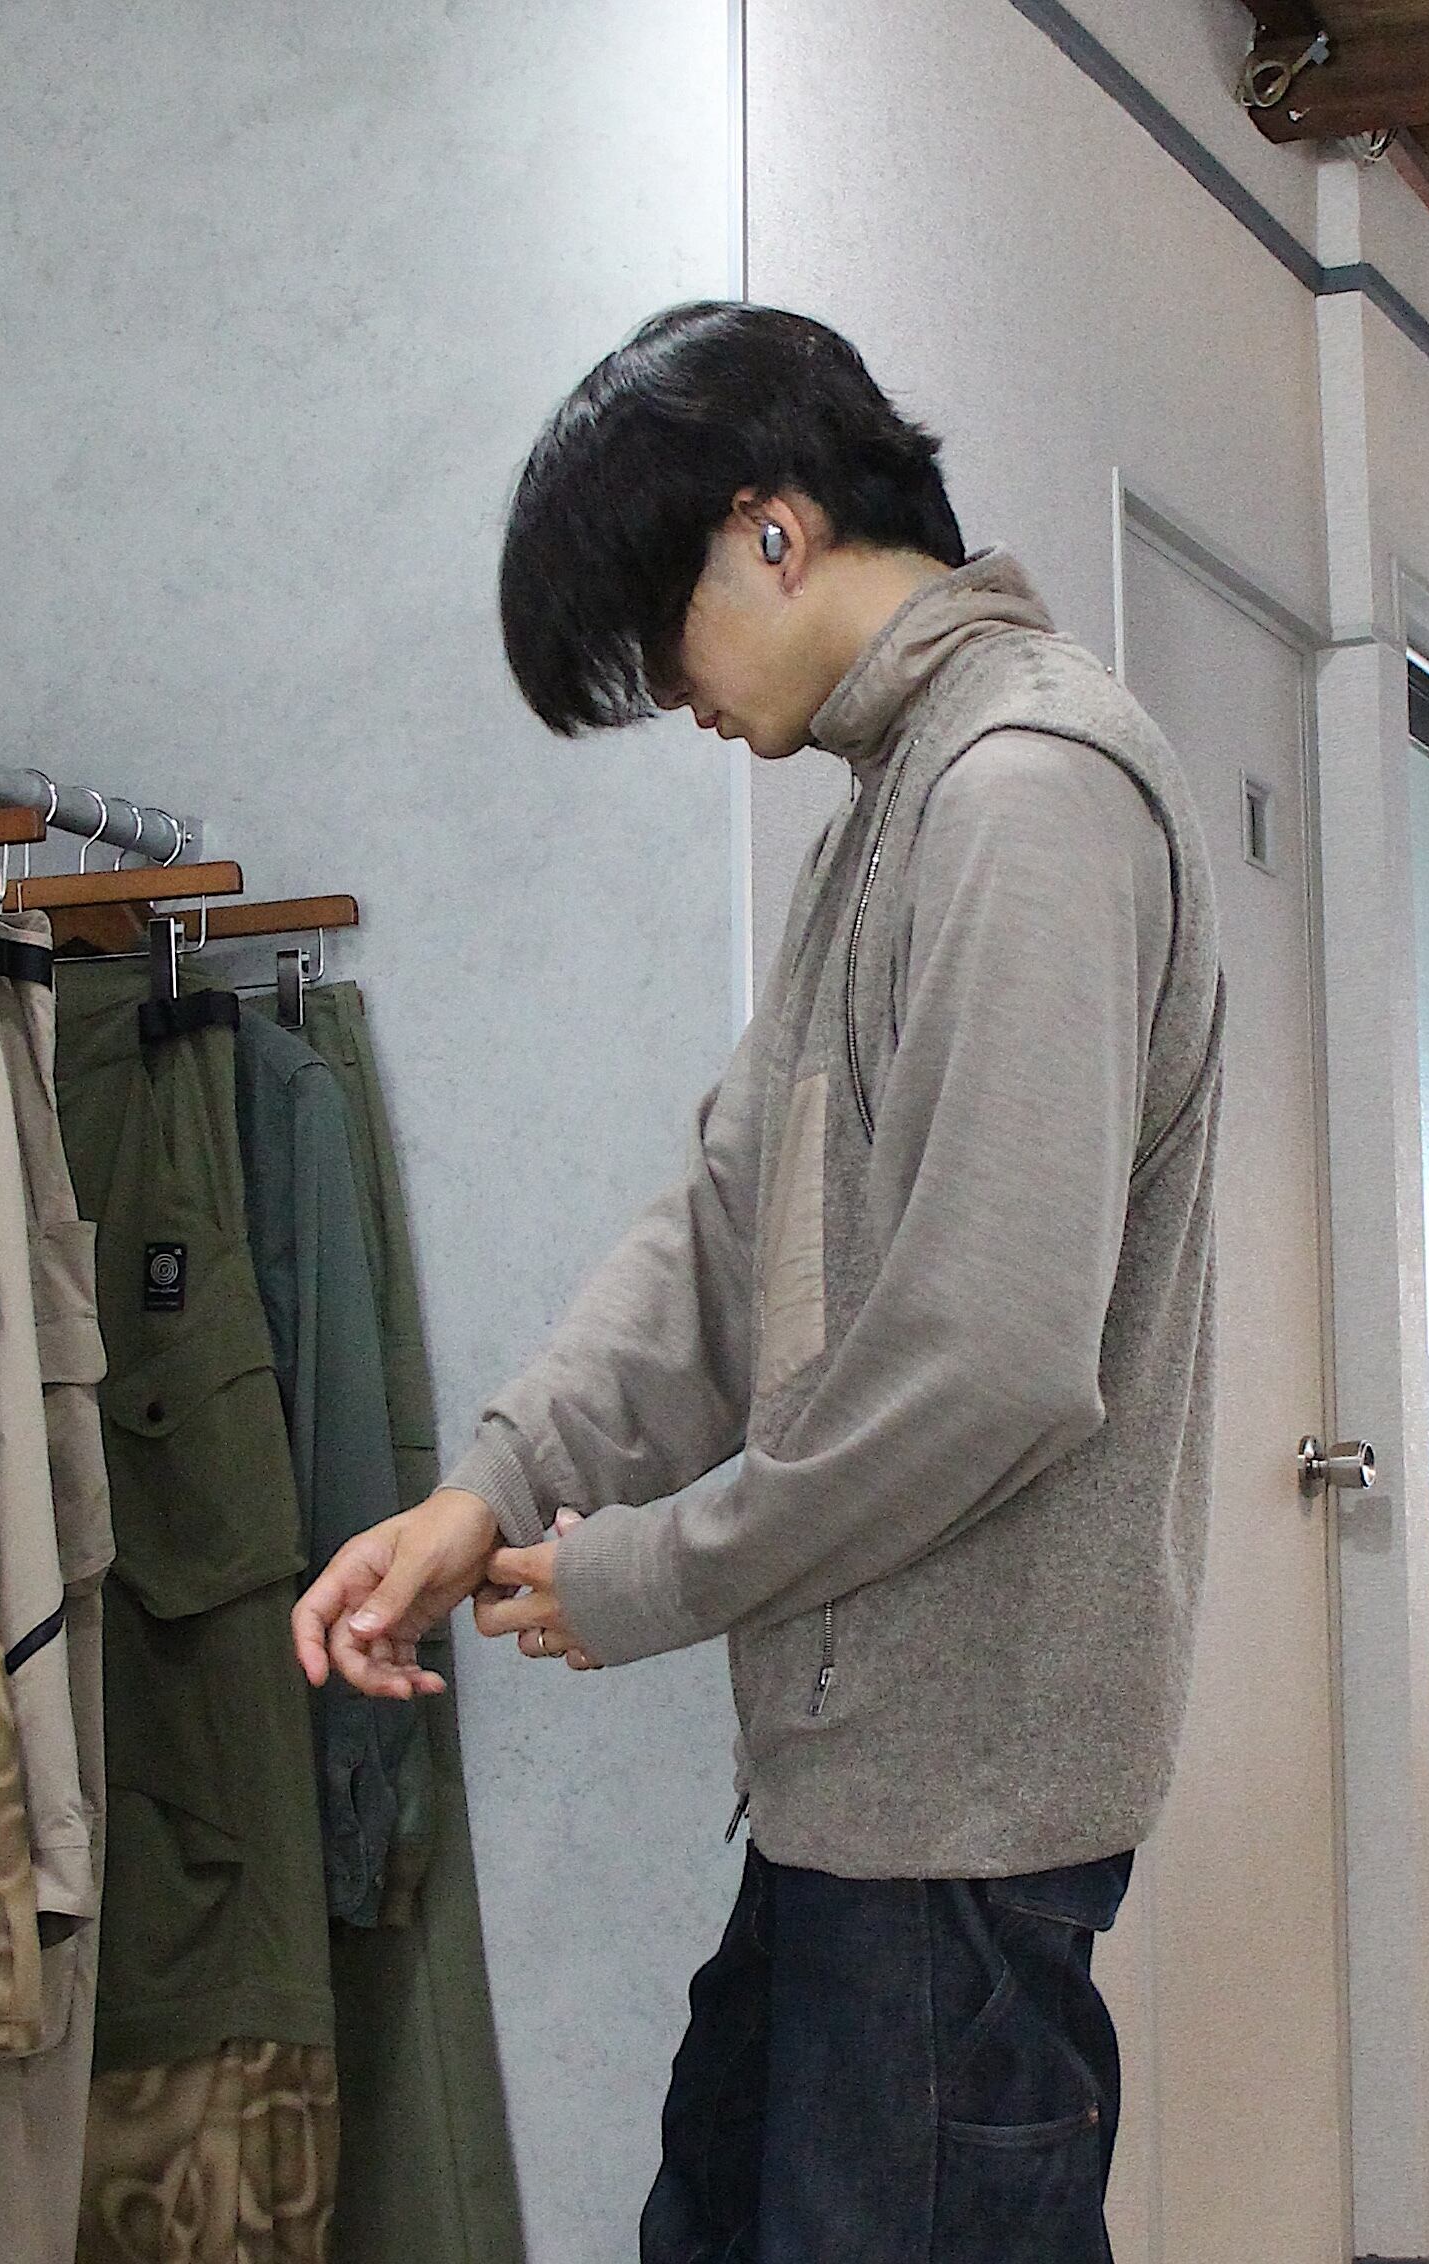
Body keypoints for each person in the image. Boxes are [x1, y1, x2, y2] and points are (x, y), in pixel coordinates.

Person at [292, 300, 1225, 2263]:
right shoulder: (891, 813)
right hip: (856, 1800)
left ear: (773, 528)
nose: (673, 697)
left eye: (660, 638)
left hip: (957, 1813)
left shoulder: (1025, 792)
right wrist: (489, 1490)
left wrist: (644, 1573)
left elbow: (988, 1362)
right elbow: (724, 1238)